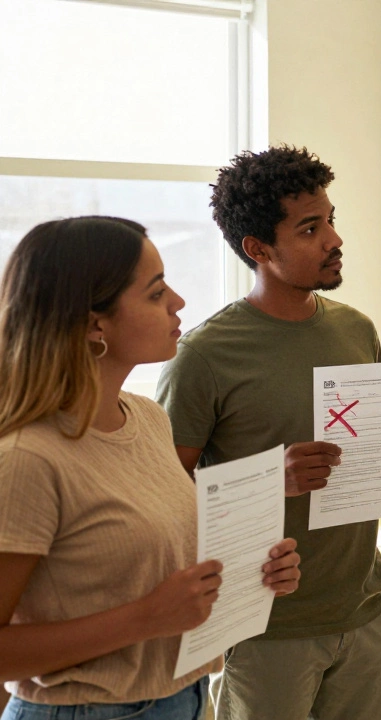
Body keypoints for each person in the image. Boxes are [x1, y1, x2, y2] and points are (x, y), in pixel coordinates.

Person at [156, 146, 381, 720]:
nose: (334, 239)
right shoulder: (205, 356)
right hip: (263, 627)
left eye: (331, 220)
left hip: (363, 611)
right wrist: (269, 480)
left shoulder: (357, 331)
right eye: (310, 228)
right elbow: (160, 499)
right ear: (258, 250)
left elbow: (379, 461)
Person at [0, 216, 301, 720]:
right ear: (95, 324)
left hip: (182, 698)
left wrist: (252, 572)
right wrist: (144, 618)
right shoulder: (27, 459)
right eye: (156, 292)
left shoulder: (148, 419)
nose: (178, 302)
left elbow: (154, 566)